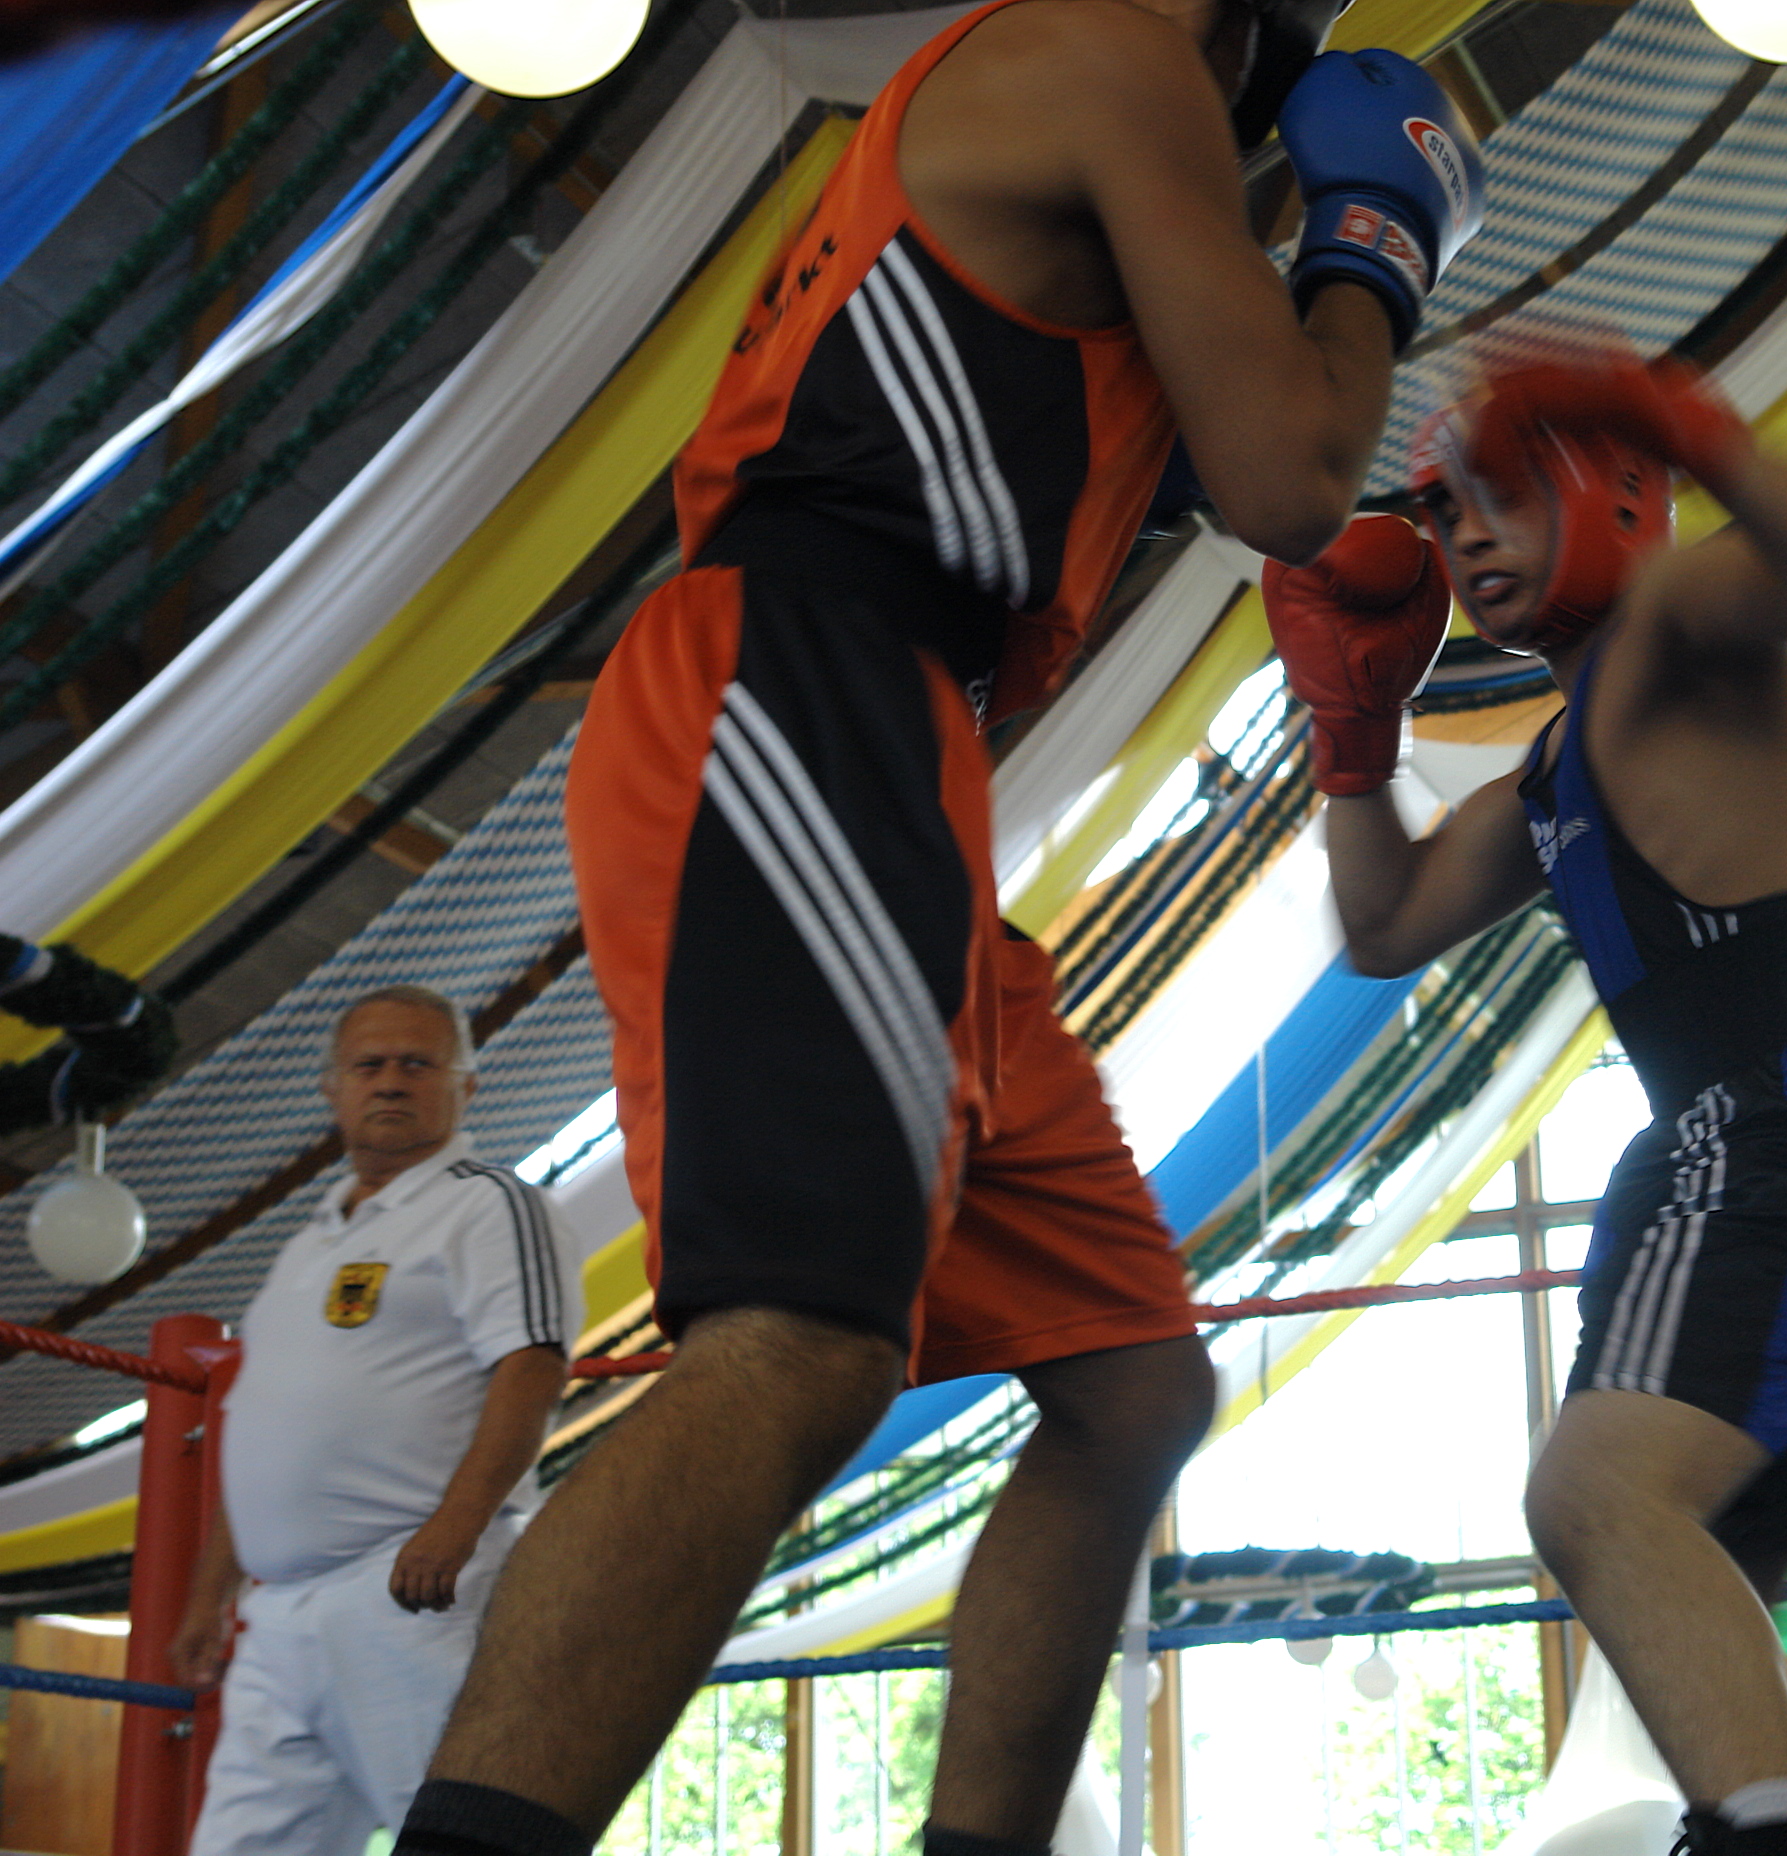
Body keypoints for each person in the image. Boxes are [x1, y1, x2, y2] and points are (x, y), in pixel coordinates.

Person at [392, 3, 1482, 1852]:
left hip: (885, 743)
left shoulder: (1098, 100)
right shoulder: (1113, 52)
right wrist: (1372, 241)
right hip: (797, 687)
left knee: (1132, 1382)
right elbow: (1292, 476)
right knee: (793, 1344)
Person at [1264, 351, 1787, 1856]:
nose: (1467, 544)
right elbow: (1382, 928)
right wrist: (1350, 735)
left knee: (1594, 1499)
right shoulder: (1553, 765)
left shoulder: (1676, 620)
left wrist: (1681, 424)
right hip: (1752, 1147)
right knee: (1699, 1571)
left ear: (1610, 489)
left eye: (1505, 498)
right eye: (1448, 523)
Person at [171, 985, 579, 1856]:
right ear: (333, 1089)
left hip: (413, 1589)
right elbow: (260, 1438)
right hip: (277, 1616)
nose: (391, 1081)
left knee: (458, 1838)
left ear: (467, 1088)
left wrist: (454, 1530)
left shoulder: (491, 1203)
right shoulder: (305, 1245)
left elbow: (534, 1366)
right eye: (370, 1065)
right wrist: (211, 1594)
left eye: (418, 1063)